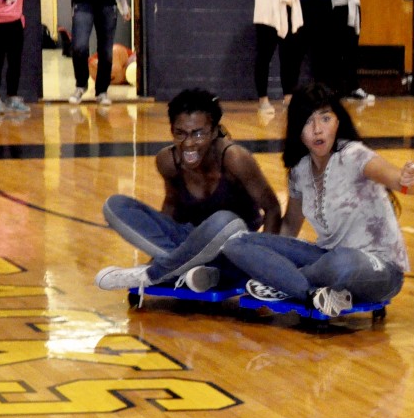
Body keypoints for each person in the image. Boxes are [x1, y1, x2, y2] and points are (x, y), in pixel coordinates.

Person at [221, 82, 414, 317]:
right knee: (237, 243)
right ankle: (310, 293)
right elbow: (290, 226)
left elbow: (402, 182)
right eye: (308, 121)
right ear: (297, 128)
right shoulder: (300, 170)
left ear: (337, 121)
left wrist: (409, 178)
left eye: (325, 119)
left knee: (342, 262)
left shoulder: (354, 154)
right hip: (325, 257)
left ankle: (283, 285)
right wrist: (266, 255)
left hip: (377, 270)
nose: (317, 129)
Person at [94, 88, 282, 292]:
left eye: (198, 133)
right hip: (188, 240)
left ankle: (155, 273)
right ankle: (197, 270)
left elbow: (272, 209)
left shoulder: (235, 159)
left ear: (214, 131)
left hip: (235, 248)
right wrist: (155, 254)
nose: (189, 143)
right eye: (180, 133)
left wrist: (263, 267)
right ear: (171, 130)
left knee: (223, 220)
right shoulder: (168, 161)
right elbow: (171, 205)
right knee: (115, 205)